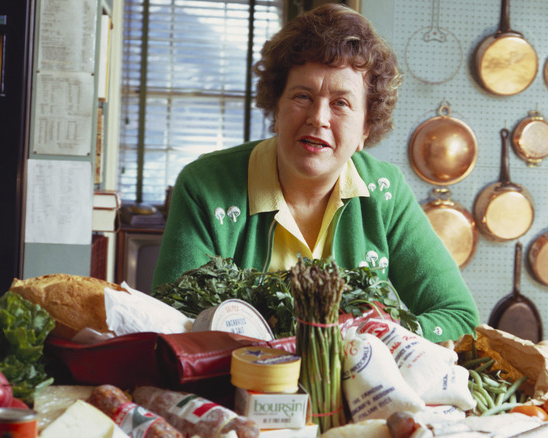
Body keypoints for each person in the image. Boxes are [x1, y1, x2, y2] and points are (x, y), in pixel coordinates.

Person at [152, 4, 479, 342]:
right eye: (303, 96)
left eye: (341, 103)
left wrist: (381, 335)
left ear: (366, 126)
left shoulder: (386, 193)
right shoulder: (205, 185)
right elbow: (172, 321)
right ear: (276, 108)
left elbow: (459, 317)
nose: (318, 118)